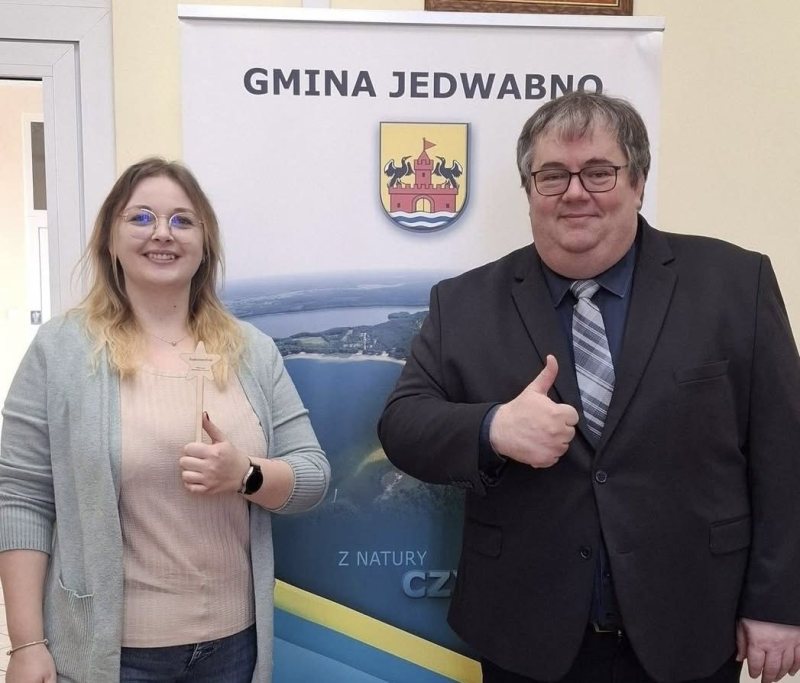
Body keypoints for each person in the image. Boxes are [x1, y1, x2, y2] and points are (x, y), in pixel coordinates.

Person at [378, 91, 800, 683]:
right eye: (552, 175)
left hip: (694, 625)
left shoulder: (735, 283)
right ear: (530, 189)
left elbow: (785, 453)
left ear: (639, 181)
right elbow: (402, 425)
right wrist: (493, 428)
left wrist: (779, 603)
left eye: (599, 172)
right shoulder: (463, 302)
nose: (575, 192)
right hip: (525, 634)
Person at [0, 158, 330, 682]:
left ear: (205, 244)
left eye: (182, 220)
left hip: (233, 649)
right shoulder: (60, 350)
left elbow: (312, 476)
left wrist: (245, 474)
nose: (162, 233)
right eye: (141, 217)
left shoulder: (252, 352)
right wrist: (26, 644)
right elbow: (21, 498)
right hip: (115, 656)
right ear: (109, 240)